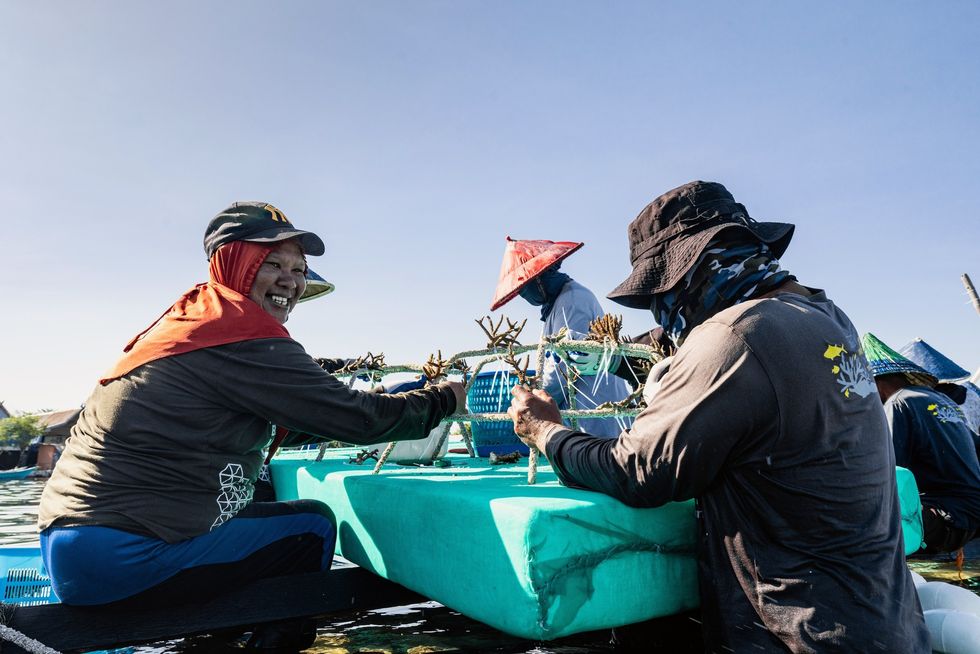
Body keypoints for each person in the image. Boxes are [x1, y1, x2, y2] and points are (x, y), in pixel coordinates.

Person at [508, 181, 929, 652]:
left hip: (802, 636)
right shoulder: (824, 315)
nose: (664, 315)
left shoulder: (734, 336)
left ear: (696, 269)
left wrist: (545, 430)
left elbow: (636, 471)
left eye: (663, 295)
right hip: (887, 624)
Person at [38, 202, 465, 647]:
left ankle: (213, 643)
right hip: (123, 556)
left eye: (299, 269)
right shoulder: (239, 331)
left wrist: (358, 407)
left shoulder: (193, 320)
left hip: (73, 551)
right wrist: (444, 399)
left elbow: (287, 422)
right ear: (234, 263)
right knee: (310, 527)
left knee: (260, 525)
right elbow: (359, 420)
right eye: (272, 263)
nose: (292, 281)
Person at [490, 237, 631, 437]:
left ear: (539, 277)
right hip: (582, 417)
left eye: (523, 288)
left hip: (596, 414)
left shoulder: (571, 301)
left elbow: (563, 367)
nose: (523, 295)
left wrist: (534, 402)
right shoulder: (556, 306)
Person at [863, 332, 980, 556]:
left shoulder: (898, 403)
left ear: (875, 384)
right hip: (971, 511)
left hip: (948, 517)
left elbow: (890, 472)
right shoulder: (941, 399)